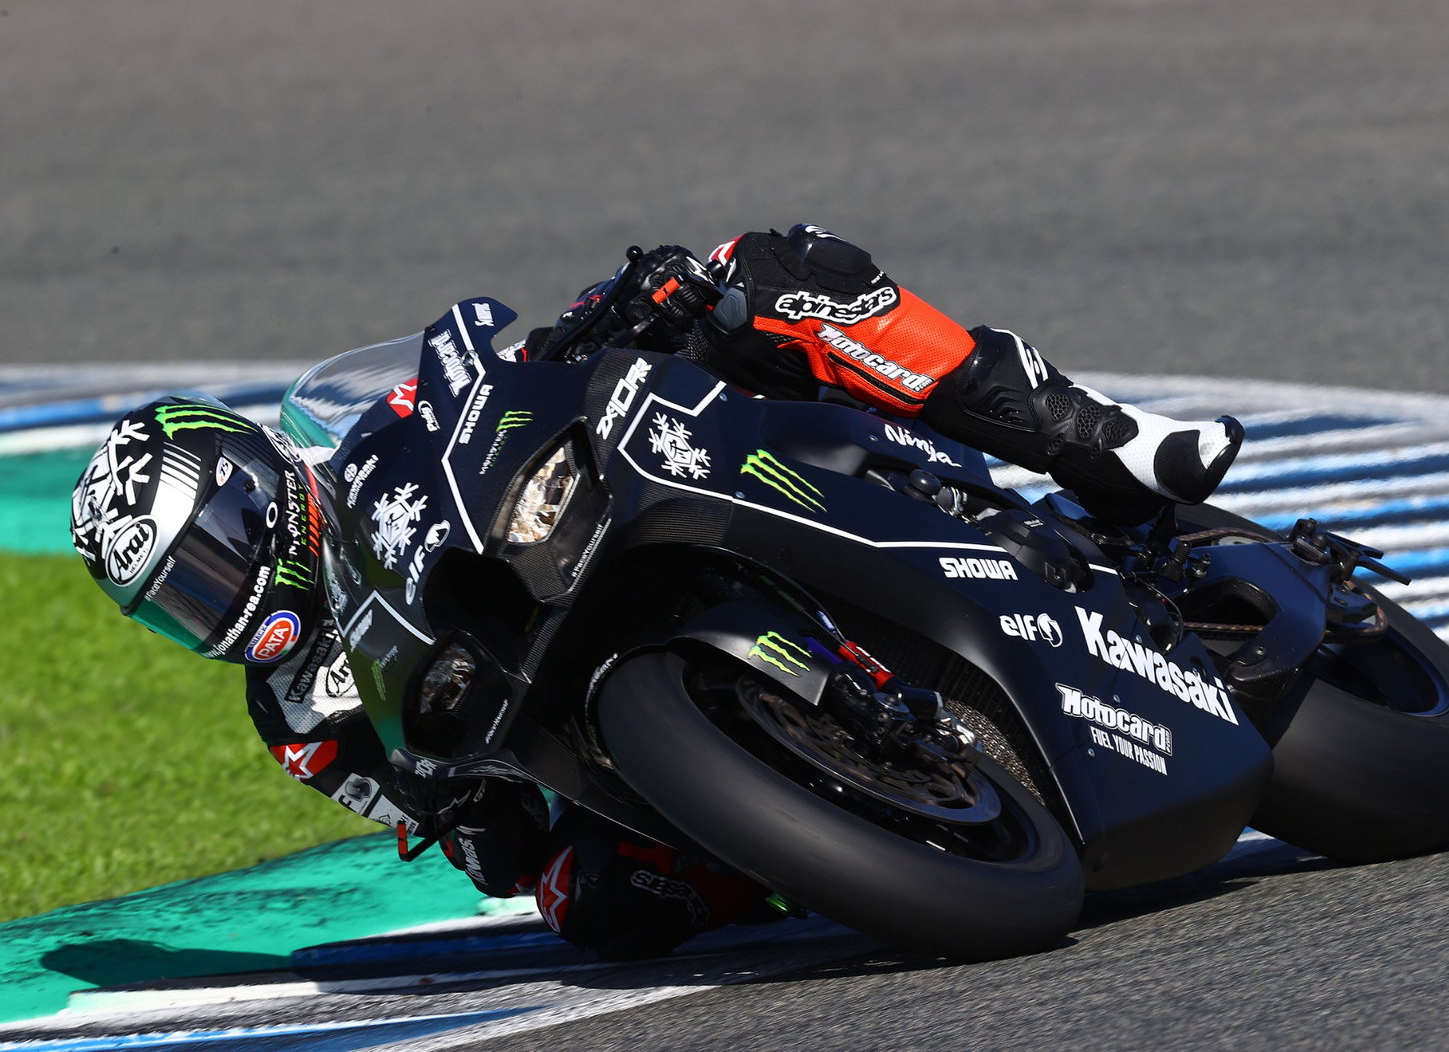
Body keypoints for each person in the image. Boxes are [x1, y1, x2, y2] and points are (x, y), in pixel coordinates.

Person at [68, 224, 1243, 958]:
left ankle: (1101, 439)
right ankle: (844, 815)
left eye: (211, 556)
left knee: (757, 275)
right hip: (562, 709)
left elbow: (493, 381)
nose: (215, 600)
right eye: (178, 602)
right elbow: (475, 841)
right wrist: (475, 820)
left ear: (255, 485)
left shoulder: (363, 433)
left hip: (612, 499)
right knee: (589, 905)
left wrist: (617, 311)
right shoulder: (300, 714)